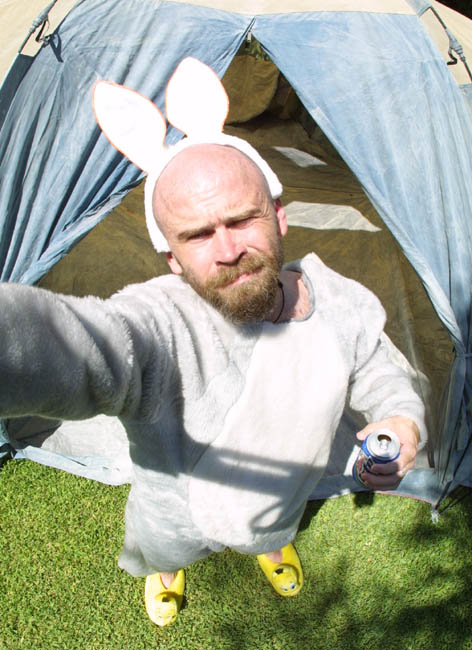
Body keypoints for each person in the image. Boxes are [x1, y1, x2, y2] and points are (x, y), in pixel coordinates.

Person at [0, 62, 426, 628]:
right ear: (172, 258)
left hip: (279, 498)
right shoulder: (160, 321)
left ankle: (269, 545)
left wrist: (401, 418)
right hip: (174, 518)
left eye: (242, 219)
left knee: (269, 529)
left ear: (279, 215)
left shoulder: (340, 298)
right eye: (198, 235)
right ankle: (165, 572)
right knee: (166, 549)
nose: (228, 250)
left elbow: (378, 369)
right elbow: (76, 344)